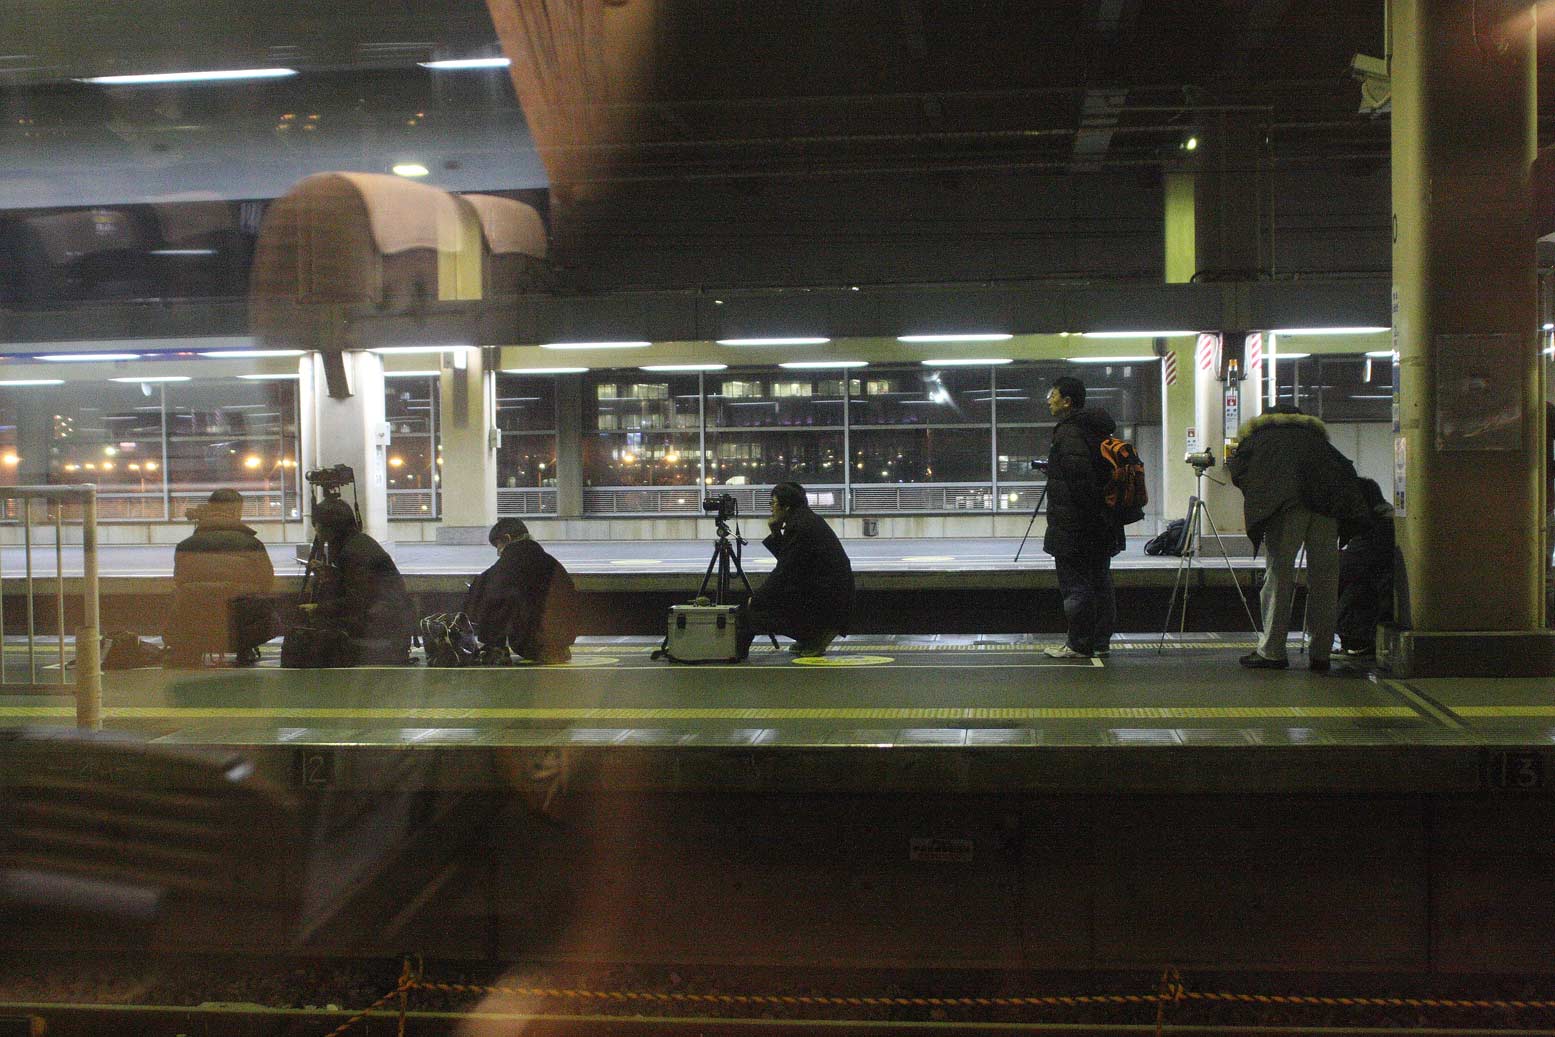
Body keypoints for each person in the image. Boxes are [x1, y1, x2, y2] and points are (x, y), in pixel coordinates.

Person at [1226, 404, 1367, 672]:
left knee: (1279, 575)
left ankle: (1273, 651)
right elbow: (1346, 469)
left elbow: (1237, 467)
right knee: (1325, 578)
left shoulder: (1260, 437)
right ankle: (1321, 652)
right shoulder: (1316, 438)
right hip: (1327, 509)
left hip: (1286, 508)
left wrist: (1262, 495)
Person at [1041, 375, 1122, 659]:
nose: (1049, 399)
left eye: (1053, 394)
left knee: (1076, 586)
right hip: (1101, 523)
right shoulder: (1097, 430)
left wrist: (1086, 519)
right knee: (1100, 581)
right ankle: (1100, 642)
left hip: (1076, 527)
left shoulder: (1069, 432)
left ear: (1067, 401)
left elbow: (1080, 482)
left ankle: (1079, 644)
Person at [738, 481, 854, 659]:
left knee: (754, 613)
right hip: (829, 595)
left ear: (786, 506)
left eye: (773, 503)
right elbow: (792, 561)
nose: (771, 508)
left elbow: (784, 571)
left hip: (826, 600)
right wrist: (776, 533)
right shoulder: (806, 520)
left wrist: (756, 598)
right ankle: (812, 635)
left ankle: (817, 634)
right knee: (772, 601)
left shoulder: (800, 527)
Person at [165, 489, 275, 667]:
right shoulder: (253, 544)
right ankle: (244, 649)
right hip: (241, 624)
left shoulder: (185, 545)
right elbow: (266, 581)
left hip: (195, 622)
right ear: (236, 511)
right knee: (260, 603)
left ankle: (193, 649)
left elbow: (179, 580)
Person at [307, 498, 416, 665]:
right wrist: (332, 573)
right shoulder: (358, 542)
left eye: (317, 524)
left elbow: (357, 600)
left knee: (317, 629)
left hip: (380, 624)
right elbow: (362, 585)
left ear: (330, 527)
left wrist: (317, 608)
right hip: (390, 619)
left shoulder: (352, 552)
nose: (315, 529)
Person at [462, 518, 579, 664]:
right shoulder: (548, 561)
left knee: (491, 595)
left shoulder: (508, 565)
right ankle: (555, 649)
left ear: (507, 539)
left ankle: (495, 649)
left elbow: (486, 593)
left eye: (498, 545)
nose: (498, 552)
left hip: (532, 644)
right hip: (561, 640)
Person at [1335, 477, 1395, 657]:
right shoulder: (1392, 523)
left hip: (1362, 626)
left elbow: (1344, 573)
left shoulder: (1369, 532)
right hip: (1385, 612)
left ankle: (1355, 643)